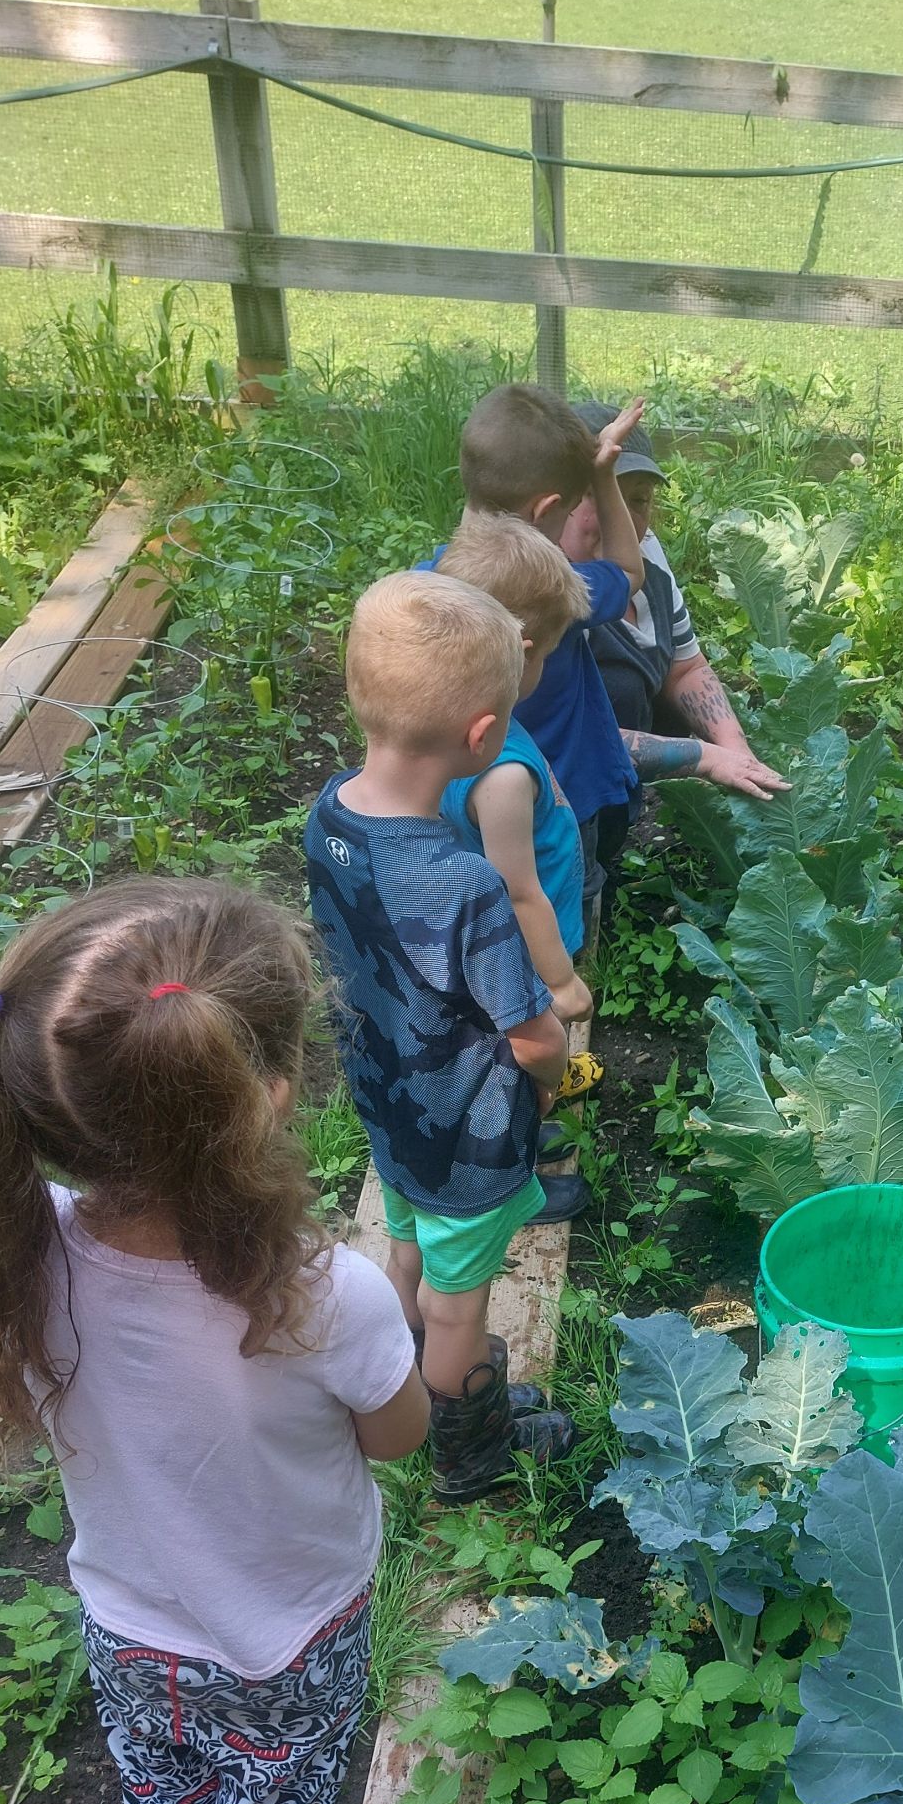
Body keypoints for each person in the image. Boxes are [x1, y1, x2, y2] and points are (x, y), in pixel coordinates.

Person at [0, 878, 445, 1804]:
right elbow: (398, 1436)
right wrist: (404, 1303)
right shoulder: (320, 1294)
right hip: (285, 1635)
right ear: (266, 1098)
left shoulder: (23, 1247)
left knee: (164, 1790)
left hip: (126, 1618)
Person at [305, 570, 579, 1503]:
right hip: (466, 1134)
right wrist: (554, 1082)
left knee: (413, 1248)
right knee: (462, 1303)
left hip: (388, 1103)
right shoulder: (464, 886)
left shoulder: (329, 815)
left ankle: (408, 1364)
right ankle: (470, 1451)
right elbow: (534, 1036)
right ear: (482, 735)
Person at [561, 403, 783, 899]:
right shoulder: (540, 591)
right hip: (545, 802)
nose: (626, 520)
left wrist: (737, 752)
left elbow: (685, 668)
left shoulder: (646, 555)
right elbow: (575, 737)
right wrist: (704, 758)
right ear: (555, 503)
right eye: (600, 496)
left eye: (637, 500)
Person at [452, 385, 646, 945]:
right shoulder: (551, 590)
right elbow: (629, 571)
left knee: (484, 911)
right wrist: (604, 476)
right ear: (544, 511)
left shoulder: (430, 584)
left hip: (463, 795)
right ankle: (567, 988)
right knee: (564, 905)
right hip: (562, 796)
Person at [435, 513, 595, 1029]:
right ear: (521, 656)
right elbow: (519, 893)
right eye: (549, 652)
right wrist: (561, 983)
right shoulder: (501, 777)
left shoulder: (440, 723)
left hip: (501, 934)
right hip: (528, 948)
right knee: (532, 1040)